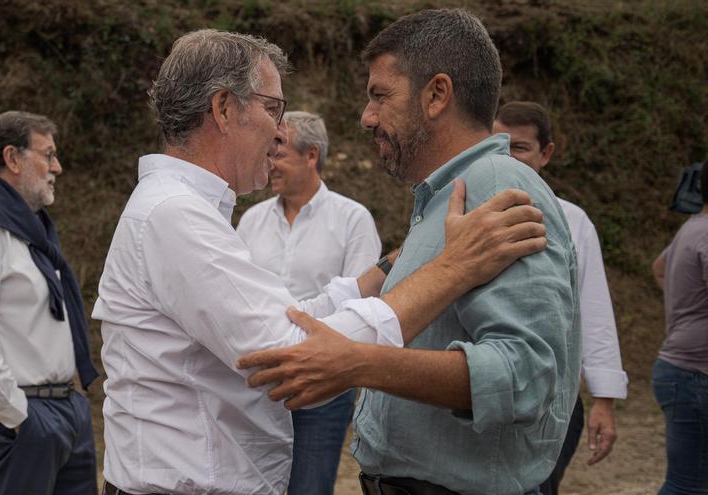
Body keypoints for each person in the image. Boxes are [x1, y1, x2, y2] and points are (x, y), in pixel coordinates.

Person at [92, 28, 549, 495]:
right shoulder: (175, 216)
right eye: (273, 108)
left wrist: (396, 264)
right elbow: (290, 355)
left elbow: (289, 319)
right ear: (224, 108)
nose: (281, 131)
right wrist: (452, 270)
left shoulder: (179, 209)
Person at [239, 9, 580, 495]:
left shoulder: (496, 187)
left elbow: (524, 374)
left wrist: (359, 362)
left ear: (437, 95)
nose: (366, 116)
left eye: (380, 95)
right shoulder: (447, 194)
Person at [0, 111, 99, 495]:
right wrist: (19, 416)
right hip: (26, 417)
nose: (56, 167)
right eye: (48, 154)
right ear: (13, 159)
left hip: (65, 409)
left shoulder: (31, 231)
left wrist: (70, 408)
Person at [237, 110, 381, 495]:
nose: (269, 163)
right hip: (256, 389)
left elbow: (361, 306)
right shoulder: (250, 220)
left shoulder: (353, 220)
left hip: (322, 392)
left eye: (279, 153)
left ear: (311, 155)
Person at [493, 101, 629, 495]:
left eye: (519, 148)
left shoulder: (572, 222)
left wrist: (603, 397)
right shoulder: (461, 207)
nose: (507, 157)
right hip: (479, 397)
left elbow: (593, 310)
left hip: (554, 403)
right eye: (498, 145)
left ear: (546, 154)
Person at [651, 167, 708, 494]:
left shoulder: (693, 227)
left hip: (682, 371)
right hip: (695, 376)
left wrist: (687, 306)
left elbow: (659, 269)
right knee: (687, 486)